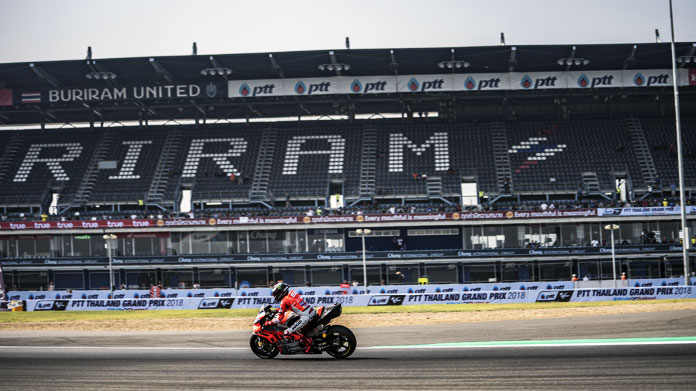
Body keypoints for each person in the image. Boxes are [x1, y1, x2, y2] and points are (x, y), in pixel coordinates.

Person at [265, 283, 316, 352]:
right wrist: (277, 311)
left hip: (305, 317)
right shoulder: (292, 293)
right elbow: (289, 306)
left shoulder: (284, 300)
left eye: (276, 293)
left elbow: (279, 318)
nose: (275, 295)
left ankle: (308, 343)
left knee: (286, 332)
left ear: (281, 292)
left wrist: (269, 322)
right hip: (311, 311)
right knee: (293, 322)